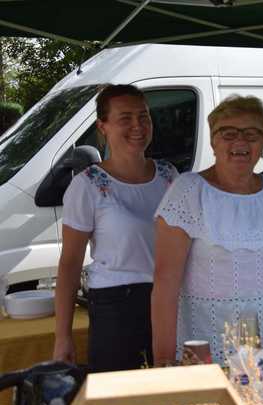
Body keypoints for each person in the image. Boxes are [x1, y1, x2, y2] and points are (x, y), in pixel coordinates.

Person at [152, 95, 263, 365]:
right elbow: (165, 285)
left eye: (252, 134)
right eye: (228, 133)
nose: (240, 142)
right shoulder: (188, 191)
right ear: (213, 141)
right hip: (206, 355)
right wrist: (164, 366)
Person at [53, 84, 178, 372]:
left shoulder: (169, 175)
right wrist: (63, 336)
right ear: (103, 127)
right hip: (117, 308)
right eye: (125, 118)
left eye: (144, 116)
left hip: (170, 301)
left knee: (170, 400)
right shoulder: (87, 184)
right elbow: (70, 264)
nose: (138, 126)